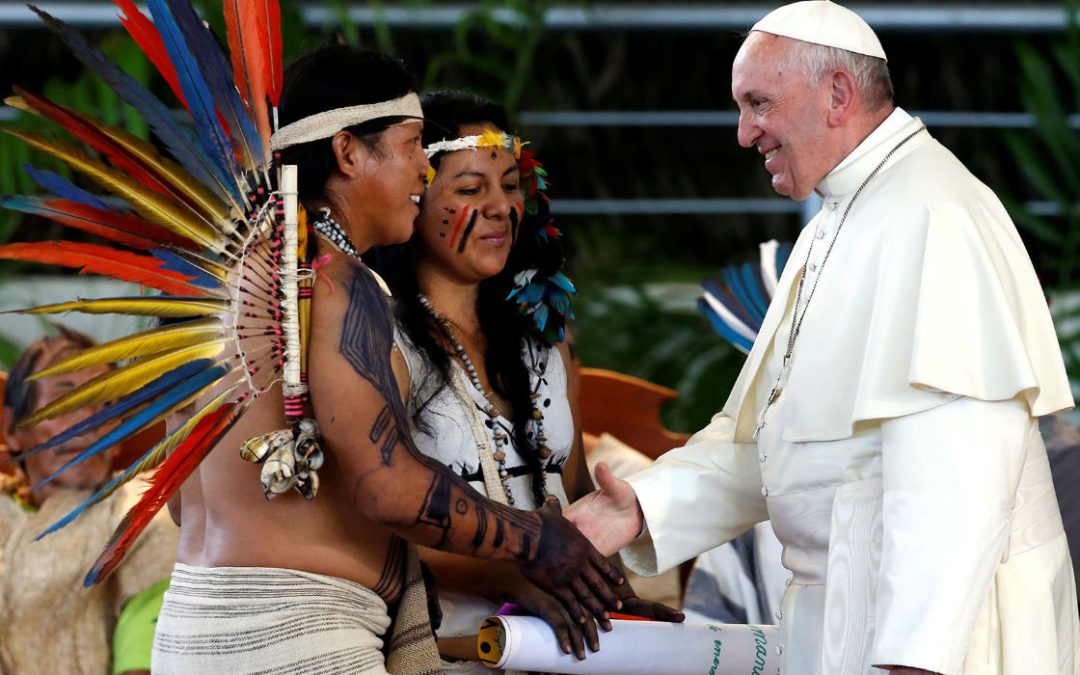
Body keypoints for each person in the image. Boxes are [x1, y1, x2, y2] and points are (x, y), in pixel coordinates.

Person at [565, 2, 1080, 674]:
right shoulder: (835, 220)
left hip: (946, 643)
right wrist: (642, 506)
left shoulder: (934, 213)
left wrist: (915, 659)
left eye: (758, 103)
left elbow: (960, 472)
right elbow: (774, 445)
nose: (745, 132)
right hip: (841, 623)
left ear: (837, 93)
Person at [154, 46, 624, 675]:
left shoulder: (221, 279)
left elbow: (179, 496)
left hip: (193, 623)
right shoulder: (335, 279)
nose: (419, 172)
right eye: (410, 146)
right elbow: (390, 489)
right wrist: (538, 540)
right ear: (349, 153)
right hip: (299, 637)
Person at [371, 90, 682, 671]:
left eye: (510, 185)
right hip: (449, 643)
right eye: (469, 190)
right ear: (415, 196)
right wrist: (518, 578)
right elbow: (381, 526)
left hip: (563, 641)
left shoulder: (546, 336)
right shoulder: (384, 344)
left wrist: (608, 597)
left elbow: (572, 492)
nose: (499, 208)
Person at [0, 326, 178, 675]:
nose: (89, 421)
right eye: (66, 402)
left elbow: (145, 654)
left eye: (104, 404)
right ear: (12, 431)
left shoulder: (141, 512)